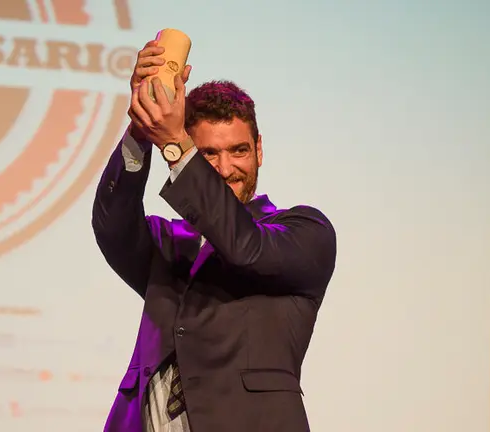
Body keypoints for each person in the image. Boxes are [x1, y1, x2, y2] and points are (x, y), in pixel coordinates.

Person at [92, 39, 337, 432]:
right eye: (207, 154)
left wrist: (176, 144)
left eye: (238, 151)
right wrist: (142, 126)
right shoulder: (169, 246)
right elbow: (111, 225)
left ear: (259, 150)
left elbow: (245, 248)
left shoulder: (304, 233)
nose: (224, 169)